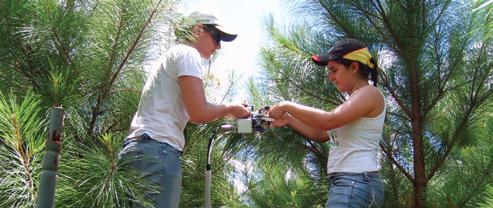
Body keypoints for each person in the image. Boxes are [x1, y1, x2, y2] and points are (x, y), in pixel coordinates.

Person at [118, 11, 250, 208]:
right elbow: (199, 113)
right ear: (198, 29)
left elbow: (193, 107)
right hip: (158, 152)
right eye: (216, 37)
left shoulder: (171, 55)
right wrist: (232, 108)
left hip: (135, 150)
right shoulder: (188, 53)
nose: (219, 45)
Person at [268, 39, 385, 207]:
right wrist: (289, 119)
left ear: (354, 67)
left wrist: (287, 105)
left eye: (334, 70)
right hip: (352, 183)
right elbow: (322, 134)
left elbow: (328, 121)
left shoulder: (369, 93)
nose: (330, 78)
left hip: (355, 182)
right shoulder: (355, 100)